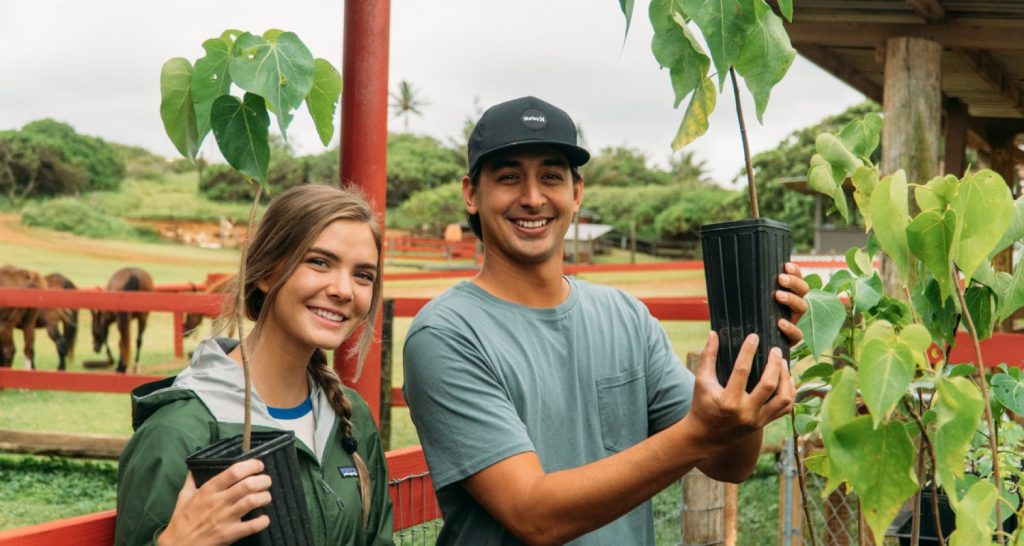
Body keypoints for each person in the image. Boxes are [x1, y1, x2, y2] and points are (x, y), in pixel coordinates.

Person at [403, 96, 809, 545]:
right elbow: (533, 515)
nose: (533, 197)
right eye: (508, 177)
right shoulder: (446, 334)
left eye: (552, 177)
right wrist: (699, 433)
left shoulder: (626, 318)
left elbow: (730, 464)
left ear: (576, 194)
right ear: (471, 194)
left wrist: (754, 354)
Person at [116, 184, 394, 546]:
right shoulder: (179, 429)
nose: (344, 289)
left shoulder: (352, 417)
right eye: (319, 262)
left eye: (363, 275)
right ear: (264, 272)